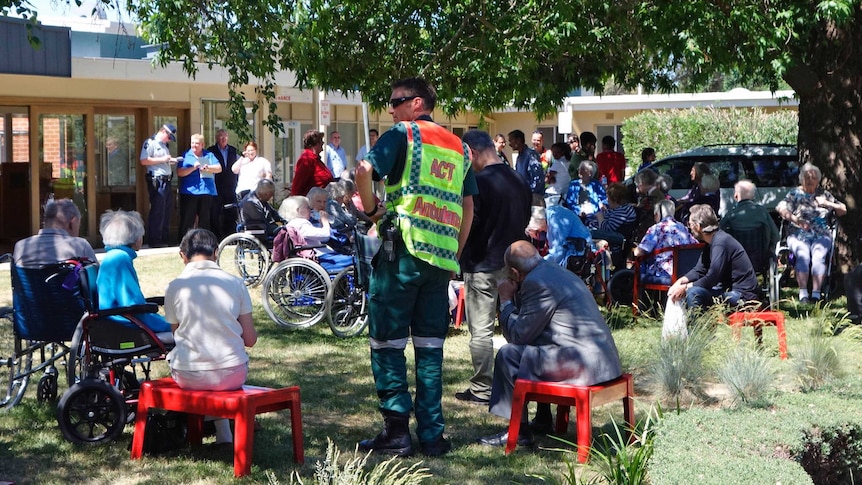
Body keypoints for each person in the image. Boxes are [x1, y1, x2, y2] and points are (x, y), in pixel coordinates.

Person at [355, 77, 477, 458]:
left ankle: (396, 432)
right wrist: (453, 251)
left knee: (388, 342)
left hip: (402, 253)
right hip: (440, 260)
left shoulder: (402, 134)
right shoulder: (461, 147)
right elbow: (468, 206)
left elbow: (363, 172)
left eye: (396, 101)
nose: (390, 109)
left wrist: (375, 213)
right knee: (430, 349)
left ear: (417, 102)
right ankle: (432, 435)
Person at [476, 241, 622, 447]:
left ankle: (518, 430)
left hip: (584, 365)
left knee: (509, 355)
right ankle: (543, 419)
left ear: (515, 273)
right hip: (603, 360)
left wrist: (506, 299)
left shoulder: (535, 283)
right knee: (538, 346)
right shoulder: (553, 270)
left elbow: (518, 336)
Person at [455, 129, 531, 406]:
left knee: (481, 331)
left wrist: (457, 253)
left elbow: (469, 223)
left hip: (481, 263)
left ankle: (481, 388)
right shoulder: (518, 179)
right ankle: (517, 382)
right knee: (517, 328)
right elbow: (525, 219)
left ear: (472, 153)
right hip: (514, 264)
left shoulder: (476, 182)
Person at [165, 228, 257, 445]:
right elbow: (250, 340)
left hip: (188, 374)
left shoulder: (175, 286)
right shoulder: (236, 284)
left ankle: (217, 429)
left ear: (182, 255)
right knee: (223, 365)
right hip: (231, 373)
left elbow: (176, 334)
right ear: (216, 252)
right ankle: (221, 430)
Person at [776, 163, 847, 303]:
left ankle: (815, 294)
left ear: (818, 180)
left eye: (813, 177)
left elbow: (843, 209)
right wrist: (796, 220)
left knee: (818, 256)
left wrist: (828, 204)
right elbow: (780, 208)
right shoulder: (795, 194)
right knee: (802, 255)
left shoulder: (823, 194)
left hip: (821, 234)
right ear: (801, 179)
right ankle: (803, 294)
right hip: (798, 233)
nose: (810, 180)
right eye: (806, 177)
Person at [667, 204, 759, 311]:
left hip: (742, 296)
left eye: (690, 224)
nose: (689, 228)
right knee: (694, 290)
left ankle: (700, 328)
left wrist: (686, 287)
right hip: (727, 291)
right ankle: (703, 326)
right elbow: (699, 270)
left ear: (698, 226)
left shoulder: (721, 242)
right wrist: (680, 281)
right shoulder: (711, 243)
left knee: (694, 293)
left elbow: (712, 277)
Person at [96, 210, 172, 335]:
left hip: (117, 319)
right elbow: (133, 307)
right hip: (124, 324)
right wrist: (166, 325)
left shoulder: (113, 257)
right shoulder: (120, 259)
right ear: (136, 239)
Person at [12, 198, 97, 268]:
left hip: (31, 288)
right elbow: (98, 282)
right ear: (73, 223)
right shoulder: (81, 246)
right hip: (65, 289)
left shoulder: (20, 247)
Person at [720, 180, 780, 273]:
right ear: (753, 196)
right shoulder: (762, 212)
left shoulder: (731, 215)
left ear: (736, 196)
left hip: (736, 261)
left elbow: (719, 234)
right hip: (760, 259)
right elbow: (776, 236)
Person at [280, 195, 353, 271]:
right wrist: (325, 222)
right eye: (307, 207)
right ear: (298, 210)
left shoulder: (293, 224)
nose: (310, 210)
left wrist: (321, 224)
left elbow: (318, 236)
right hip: (320, 258)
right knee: (355, 260)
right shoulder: (300, 224)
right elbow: (325, 236)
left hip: (319, 255)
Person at [633, 200, 698, 285]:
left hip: (664, 274)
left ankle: (638, 295)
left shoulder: (656, 228)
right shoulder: (683, 228)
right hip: (684, 272)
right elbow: (695, 246)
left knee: (641, 264)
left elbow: (638, 252)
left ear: (657, 215)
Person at [140, 123, 179, 247]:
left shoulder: (164, 146)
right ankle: (155, 240)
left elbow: (162, 161)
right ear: (164, 133)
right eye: (169, 137)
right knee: (158, 210)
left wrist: (171, 161)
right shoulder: (150, 142)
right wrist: (163, 159)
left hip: (166, 180)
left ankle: (164, 239)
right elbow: (144, 160)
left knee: (166, 210)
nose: (169, 140)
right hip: (157, 180)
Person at [177, 133, 221, 238]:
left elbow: (219, 168)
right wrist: (193, 168)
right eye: (192, 143)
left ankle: (203, 241)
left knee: (205, 220)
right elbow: (180, 172)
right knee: (187, 219)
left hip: (206, 191)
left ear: (202, 144)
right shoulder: (186, 155)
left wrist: (208, 168)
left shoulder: (208, 155)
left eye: (196, 143)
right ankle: (184, 241)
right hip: (190, 192)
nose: (194, 146)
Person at [207, 129, 240, 240]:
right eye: (221, 136)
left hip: (230, 186)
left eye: (225, 136)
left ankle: (230, 236)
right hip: (216, 186)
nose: (223, 138)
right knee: (214, 212)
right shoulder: (211, 151)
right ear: (217, 138)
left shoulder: (233, 150)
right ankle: (216, 236)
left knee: (230, 211)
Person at [592, 182, 638, 249]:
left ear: (615, 200)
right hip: (600, 227)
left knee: (586, 232)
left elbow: (606, 229)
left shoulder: (622, 212)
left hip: (611, 236)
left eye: (608, 198)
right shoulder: (622, 207)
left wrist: (600, 216)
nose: (607, 200)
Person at [562, 160, 607, 227]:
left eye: (582, 169)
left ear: (590, 173)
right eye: (579, 169)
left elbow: (604, 199)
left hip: (594, 214)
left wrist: (601, 207)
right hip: (578, 213)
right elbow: (570, 201)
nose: (579, 171)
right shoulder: (574, 184)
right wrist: (578, 211)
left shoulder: (596, 184)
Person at [290, 130, 333, 197]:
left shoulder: (316, 160)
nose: (323, 142)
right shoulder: (306, 160)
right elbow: (297, 187)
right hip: (311, 203)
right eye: (321, 141)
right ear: (316, 143)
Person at [508, 129, 545, 206]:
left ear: (518, 140)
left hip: (534, 198)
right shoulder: (520, 156)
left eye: (511, 141)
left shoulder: (531, 155)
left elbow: (537, 179)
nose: (509, 144)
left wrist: (528, 192)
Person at [544, 142, 571, 206]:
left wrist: (549, 178)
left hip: (553, 193)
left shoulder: (558, 163)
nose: (554, 154)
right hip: (563, 193)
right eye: (553, 152)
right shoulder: (568, 162)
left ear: (563, 152)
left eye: (557, 152)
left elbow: (546, 179)